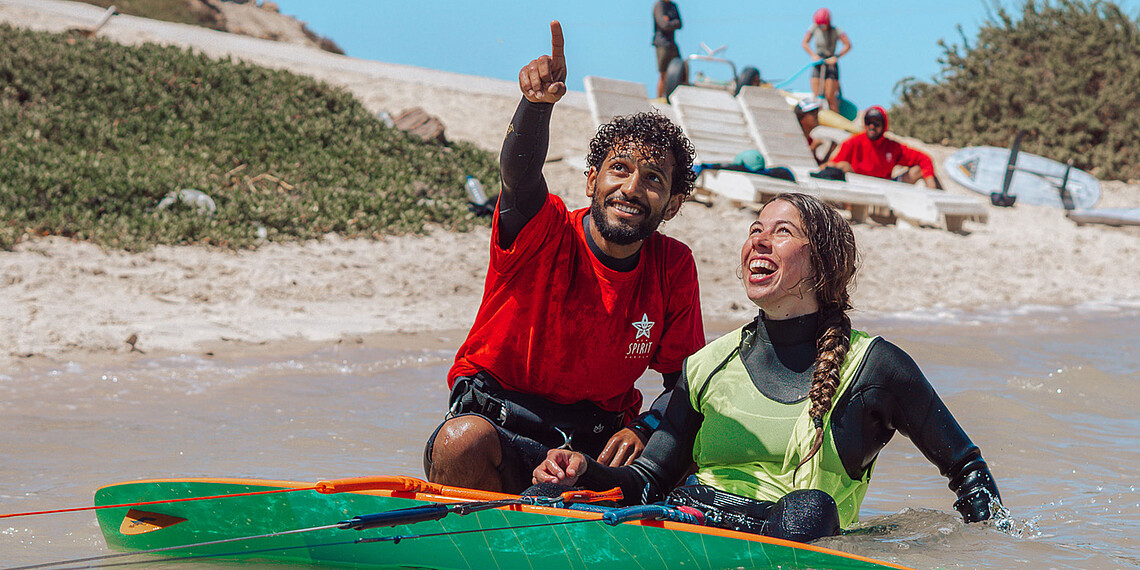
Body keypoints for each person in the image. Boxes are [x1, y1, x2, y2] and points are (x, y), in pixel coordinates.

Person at [534, 192, 1002, 542]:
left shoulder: (875, 367)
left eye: (782, 232)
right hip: (692, 527)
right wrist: (583, 470)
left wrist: (993, 548)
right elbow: (648, 482)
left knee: (808, 510)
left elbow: (967, 470)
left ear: (821, 262)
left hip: (796, 536)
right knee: (545, 496)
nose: (758, 240)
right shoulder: (707, 365)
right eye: (755, 229)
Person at [423, 20, 705, 494]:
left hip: (592, 448)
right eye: (619, 169)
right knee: (459, 442)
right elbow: (518, 176)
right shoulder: (544, 229)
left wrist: (645, 428)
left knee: (685, 458)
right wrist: (535, 107)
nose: (631, 188)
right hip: (499, 429)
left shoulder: (672, 266)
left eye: (653, 179)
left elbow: (686, 384)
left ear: (673, 204)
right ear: (592, 180)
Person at [825, 106, 944, 188]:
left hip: (886, 186)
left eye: (876, 123)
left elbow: (924, 159)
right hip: (857, 184)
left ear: (884, 125)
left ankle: (941, 205)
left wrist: (931, 185)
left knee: (919, 170)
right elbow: (831, 166)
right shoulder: (853, 142)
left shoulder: (892, 146)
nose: (872, 126)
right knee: (842, 166)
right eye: (869, 122)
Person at [801, 8, 851, 115]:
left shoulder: (836, 30)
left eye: (822, 25)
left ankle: (836, 117)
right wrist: (813, 55)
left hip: (831, 63)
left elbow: (847, 45)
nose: (821, 27)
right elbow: (804, 43)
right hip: (818, 62)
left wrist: (836, 57)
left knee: (830, 96)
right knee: (816, 96)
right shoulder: (813, 28)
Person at [653, 0, 683, 99]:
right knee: (663, 73)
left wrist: (669, 21)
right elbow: (663, 25)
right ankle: (660, 97)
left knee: (678, 71)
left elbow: (679, 24)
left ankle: (669, 97)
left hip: (672, 44)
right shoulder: (659, 5)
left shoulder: (673, 6)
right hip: (662, 43)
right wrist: (672, 22)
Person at [793, 96, 835, 165]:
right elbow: (796, 160)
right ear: (801, 117)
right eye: (812, 113)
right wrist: (813, 148)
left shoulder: (810, 140)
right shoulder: (794, 137)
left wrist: (830, 151)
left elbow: (816, 166)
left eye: (816, 112)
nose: (816, 115)